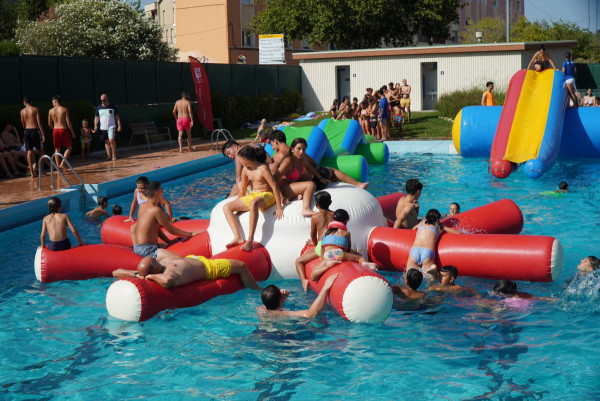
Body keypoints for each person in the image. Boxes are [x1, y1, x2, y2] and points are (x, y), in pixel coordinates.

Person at [223, 146, 284, 251]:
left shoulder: (263, 169)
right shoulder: (245, 170)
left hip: (267, 195)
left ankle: (250, 239)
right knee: (226, 207)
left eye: (241, 159)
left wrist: (279, 207)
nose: (240, 162)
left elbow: (275, 187)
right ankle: (238, 237)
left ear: (246, 159)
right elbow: (242, 190)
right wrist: (239, 205)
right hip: (254, 195)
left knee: (253, 203)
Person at [131, 181, 203, 260]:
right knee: (178, 258)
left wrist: (169, 241)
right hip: (147, 250)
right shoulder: (156, 210)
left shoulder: (142, 206)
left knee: (167, 246)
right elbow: (171, 230)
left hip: (139, 247)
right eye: (161, 190)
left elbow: (156, 229)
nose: (163, 192)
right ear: (156, 194)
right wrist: (191, 234)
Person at [112, 254, 262, 290]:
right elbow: (168, 282)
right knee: (241, 265)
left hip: (193, 259)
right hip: (209, 267)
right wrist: (148, 277)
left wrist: (136, 275)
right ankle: (256, 290)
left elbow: (116, 271)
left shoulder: (161, 264)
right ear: (155, 267)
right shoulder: (168, 273)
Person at [309, 209, 377, 281]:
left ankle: (328, 266)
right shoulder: (346, 233)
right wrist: (357, 253)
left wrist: (323, 259)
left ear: (333, 220)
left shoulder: (326, 232)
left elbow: (322, 248)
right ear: (346, 221)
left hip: (327, 255)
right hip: (339, 254)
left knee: (312, 276)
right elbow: (348, 250)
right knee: (360, 257)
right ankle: (367, 267)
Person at [295, 192, 334, 291]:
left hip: (322, 245)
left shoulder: (315, 217)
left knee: (298, 261)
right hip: (333, 243)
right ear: (331, 202)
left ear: (316, 204)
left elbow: (313, 234)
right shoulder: (334, 215)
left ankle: (304, 280)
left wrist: (314, 243)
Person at [276, 137, 324, 217]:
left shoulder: (301, 159)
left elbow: (310, 166)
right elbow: (274, 179)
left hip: (290, 186)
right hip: (282, 188)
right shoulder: (288, 161)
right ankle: (306, 209)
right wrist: (281, 197)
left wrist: (320, 177)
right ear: (292, 149)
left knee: (310, 181)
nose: (301, 152)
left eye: (304, 150)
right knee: (310, 185)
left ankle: (295, 197)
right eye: (299, 149)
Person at [407, 209, 461, 276]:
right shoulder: (439, 226)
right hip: (428, 252)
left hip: (415, 250)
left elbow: (412, 229)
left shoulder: (421, 223)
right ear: (438, 219)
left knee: (409, 276)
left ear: (426, 216)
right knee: (430, 280)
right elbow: (458, 233)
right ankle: (432, 269)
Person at [258, 273, 338, 318]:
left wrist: (283, 299)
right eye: (280, 290)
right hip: (280, 340)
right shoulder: (283, 314)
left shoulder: (260, 309)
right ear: (280, 300)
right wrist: (325, 288)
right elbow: (310, 314)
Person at [20, 96, 47, 177]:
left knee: (29, 151)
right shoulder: (35, 109)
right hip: (35, 130)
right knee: (41, 151)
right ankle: (41, 171)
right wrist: (43, 134)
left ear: (24, 102)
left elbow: (23, 124)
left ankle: (32, 173)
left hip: (27, 131)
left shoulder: (22, 111)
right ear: (30, 101)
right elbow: (39, 123)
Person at [48, 95, 75, 169]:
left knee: (57, 149)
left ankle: (57, 166)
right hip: (63, 129)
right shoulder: (64, 109)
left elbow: (49, 124)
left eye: (53, 102)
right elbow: (68, 122)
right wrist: (72, 132)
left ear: (55, 101)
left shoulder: (50, 111)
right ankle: (62, 163)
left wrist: (53, 130)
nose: (53, 103)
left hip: (55, 130)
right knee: (69, 147)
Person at [93, 93, 122, 161]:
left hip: (111, 126)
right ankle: (109, 156)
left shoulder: (112, 106)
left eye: (104, 100)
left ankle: (114, 154)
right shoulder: (98, 107)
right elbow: (96, 117)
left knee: (111, 140)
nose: (103, 101)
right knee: (106, 141)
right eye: (101, 100)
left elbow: (117, 116)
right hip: (103, 127)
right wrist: (95, 125)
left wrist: (119, 125)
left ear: (107, 99)